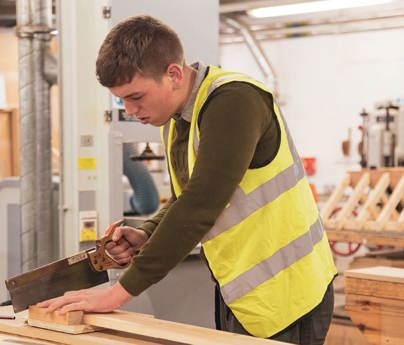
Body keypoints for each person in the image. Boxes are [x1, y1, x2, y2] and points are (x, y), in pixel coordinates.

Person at [39, 15, 337, 344]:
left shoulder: (235, 101)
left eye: (136, 96)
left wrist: (117, 294)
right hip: (244, 293)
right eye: (121, 99)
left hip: (289, 293)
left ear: (174, 75)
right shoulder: (178, 118)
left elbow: (201, 204)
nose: (129, 109)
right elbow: (186, 197)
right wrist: (146, 233)